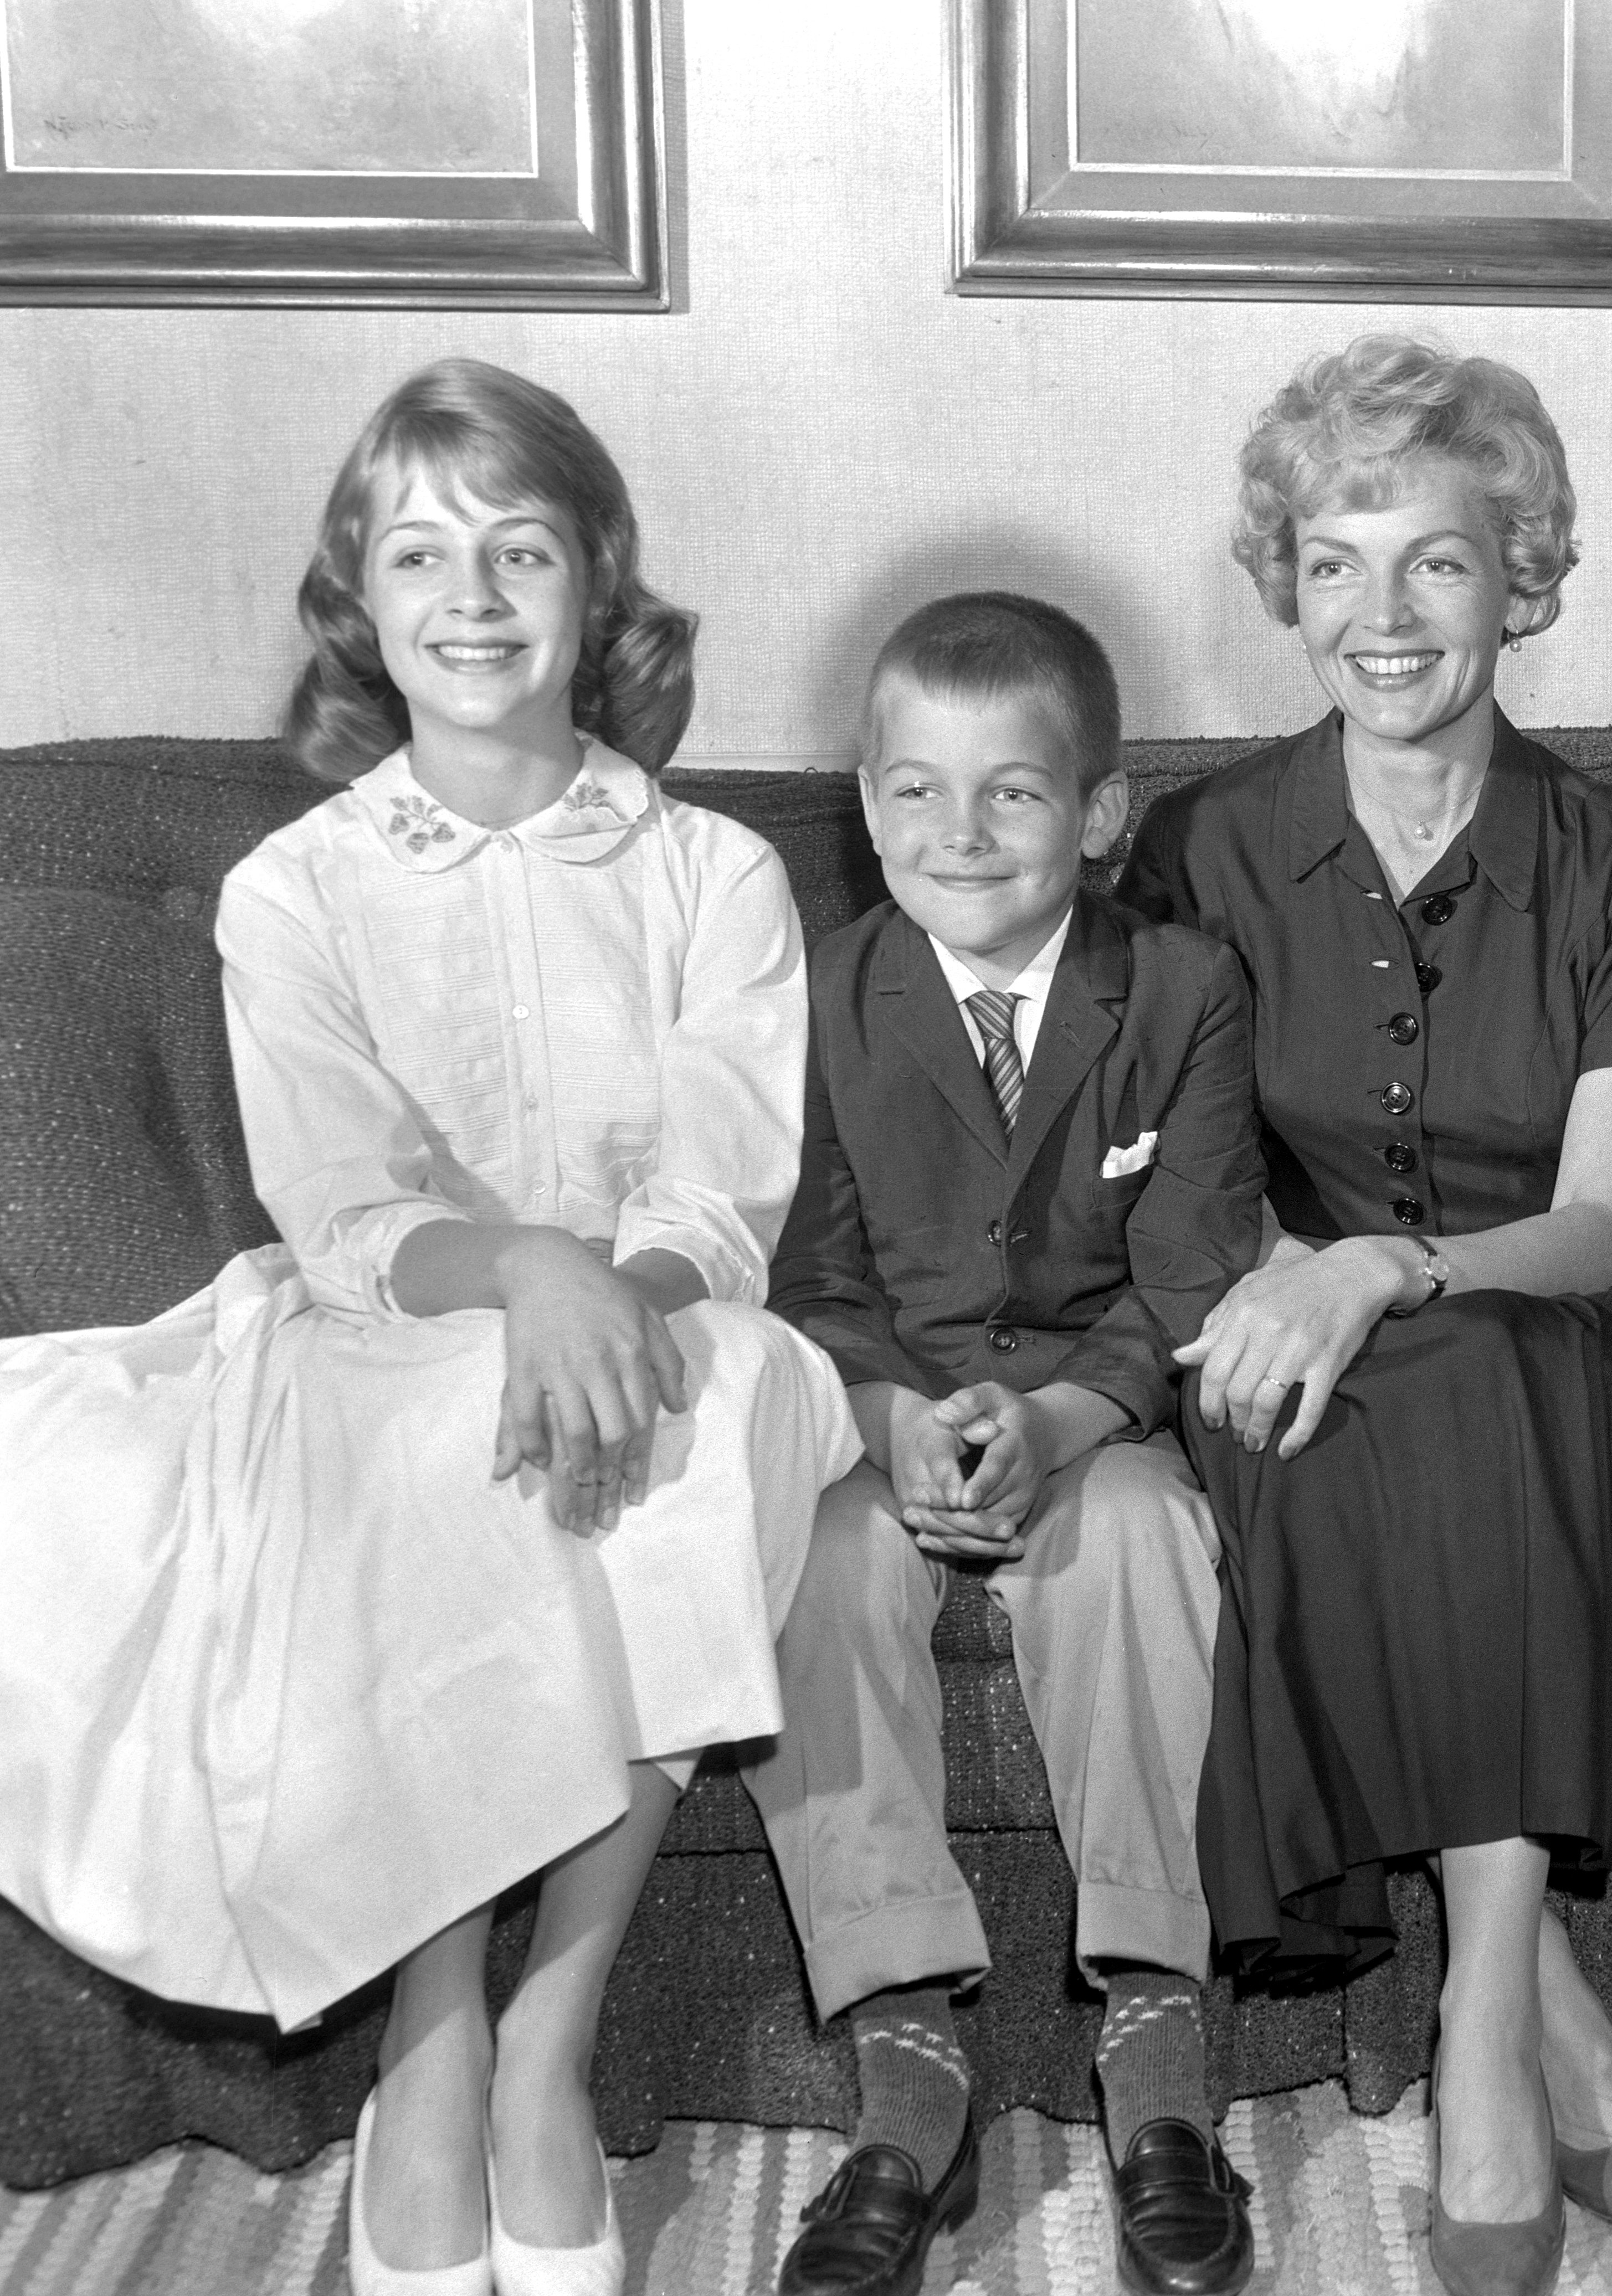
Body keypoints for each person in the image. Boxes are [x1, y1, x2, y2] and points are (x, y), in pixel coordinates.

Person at [0, 357, 860, 2296]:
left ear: (597, 581)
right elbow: (348, 1207)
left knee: (721, 1413)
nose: (473, 596)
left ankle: (546, 2034)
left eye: (521, 548)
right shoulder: (292, 887)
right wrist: (527, 1277)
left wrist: (614, 1291)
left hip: (664, 1312)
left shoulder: (711, 872)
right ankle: (431, 2030)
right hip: (384, 1323)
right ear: (362, 610)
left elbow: (721, 1191)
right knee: (430, 1433)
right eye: (422, 554)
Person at [1117, 333, 1612, 2296]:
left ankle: (1474, 2018)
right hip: (1280, 1344)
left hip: (1535, 1321)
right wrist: (1299, 1295)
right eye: (1339, 563)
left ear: (1519, 579)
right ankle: (1539, 1992)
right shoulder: (1203, 852)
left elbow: (1607, 1225)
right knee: (1344, 1406)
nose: (1386, 615)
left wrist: (1391, 1262)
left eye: (1437, 563)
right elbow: (1186, 1194)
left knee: (1479, 1372)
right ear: (1287, 585)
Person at [752, 591, 1264, 2296]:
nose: (958, 835)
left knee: (1137, 1543)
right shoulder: (823, 991)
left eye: (1014, 794)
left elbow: (1190, 1266)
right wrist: (889, 1415)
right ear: (864, 798)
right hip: (879, 1408)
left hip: (1092, 1410)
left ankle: (1160, 2045)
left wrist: (1057, 1415)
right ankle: (912, 2067)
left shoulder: (1182, 989)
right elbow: (810, 1266)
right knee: (810, 1559)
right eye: (915, 791)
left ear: (1102, 815)